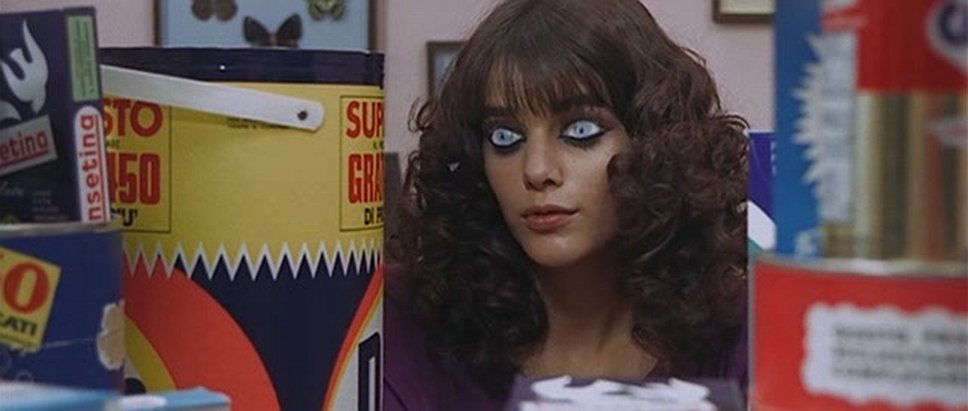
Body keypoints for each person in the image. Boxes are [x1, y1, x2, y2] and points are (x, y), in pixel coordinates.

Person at [385, 0, 749, 408]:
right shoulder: (401, 320)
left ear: (654, 144)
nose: (537, 170)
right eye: (505, 138)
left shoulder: (742, 328)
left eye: (580, 131)